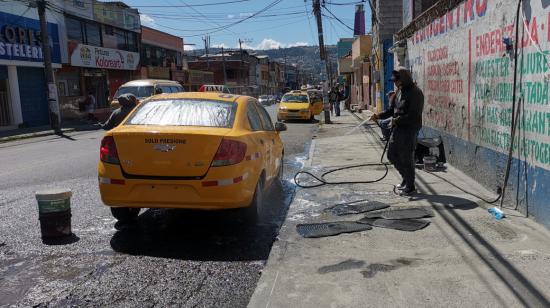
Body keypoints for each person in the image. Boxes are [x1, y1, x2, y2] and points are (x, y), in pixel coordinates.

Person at [370, 67, 424, 196]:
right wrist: (378, 115)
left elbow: (414, 115)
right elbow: (391, 111)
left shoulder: (416, 93)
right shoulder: (399, 92)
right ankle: (405, 177)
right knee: (391, 155)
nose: (395, 83)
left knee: (406, 157)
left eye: (397, 80)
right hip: (398, 128)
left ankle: (410, 186)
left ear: (404, 79)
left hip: (410, 129)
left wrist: (397, 120)